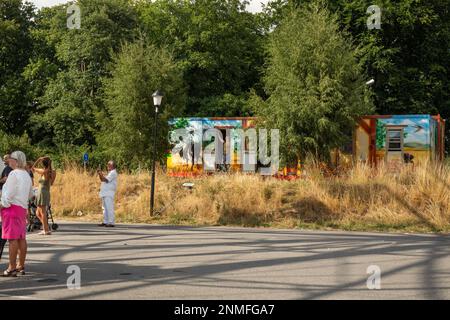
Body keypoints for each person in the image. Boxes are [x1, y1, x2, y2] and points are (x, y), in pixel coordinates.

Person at [0, 151, 33, 277]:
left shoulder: (13, 174)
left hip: (11, 208)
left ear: (16, 160)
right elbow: (30, 195)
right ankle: (20, 265)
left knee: (12, 239)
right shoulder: (27, 174)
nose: (8, 160)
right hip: (21, 209)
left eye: (10, 159)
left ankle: (11, 267)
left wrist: (1, 205)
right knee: (21, 238)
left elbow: (8, 195)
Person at [32, 157, 56, 235]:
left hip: (42, 192)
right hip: (45, 191)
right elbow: (51, 183)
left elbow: (32, 168)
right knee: (37, 213)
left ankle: (46, 230)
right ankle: (46, 228)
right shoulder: (53, 172)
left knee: (42, 212)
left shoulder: (44, 171)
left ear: (43, 164)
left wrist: (38, 159)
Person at [97, 161, 118, 228]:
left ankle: (111, 222)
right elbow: (102, 179)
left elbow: (106, 180)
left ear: (112, 166)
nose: (107, 165)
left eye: (109, 164)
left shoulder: (113, 173)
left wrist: (101, 174)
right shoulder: (110, 173)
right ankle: (105, 221)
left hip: (109, 193)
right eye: (107, 164)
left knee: (109, 208)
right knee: (105, 208)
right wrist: (100, 174)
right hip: (105, 193)